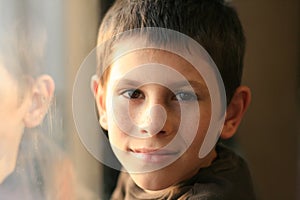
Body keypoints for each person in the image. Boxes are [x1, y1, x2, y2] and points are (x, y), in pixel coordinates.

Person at [92, 0, 256, 199]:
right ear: (102, 103)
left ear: (230, 112)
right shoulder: (139, 162)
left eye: (183, 96)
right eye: (133, 94)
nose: (152, 124)